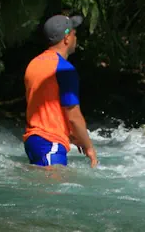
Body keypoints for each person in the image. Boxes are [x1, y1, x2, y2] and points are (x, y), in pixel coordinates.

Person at [22, 14, 99, 168]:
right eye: (74, 34)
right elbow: (73, 116)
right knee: (53, 190)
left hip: (33, 140)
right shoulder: (64, 69)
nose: (75, 38)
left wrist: (70, 134)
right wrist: (89, 146)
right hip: (50, 142)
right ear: (66, 39)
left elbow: (46, 108)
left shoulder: (34, 64)